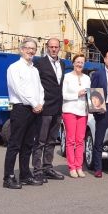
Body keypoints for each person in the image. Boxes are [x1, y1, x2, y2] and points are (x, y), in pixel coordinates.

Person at [3, 38, 45, 189]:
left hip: (34, 110)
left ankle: (25, 175)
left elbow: (40, 89)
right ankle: (8, 177)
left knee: (28, 144)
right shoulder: (14, 67)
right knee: (15, 144)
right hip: (21, 109)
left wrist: (40, 103)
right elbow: (18, 89)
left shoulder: (34, 70)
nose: (31, 51)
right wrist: (35, 104)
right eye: (27, 48)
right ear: (21, 49)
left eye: (33, 48)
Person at [32, 38, 66, 182]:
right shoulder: (39, 63)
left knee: (52, 140)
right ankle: (37, 170)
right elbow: (34, 83)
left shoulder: (62, 64)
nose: (53, 49)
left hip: (58, 108)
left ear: (59, 48)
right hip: (45, 108)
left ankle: (47, 168)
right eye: (51, 47)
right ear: (47, 47)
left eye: (56, 47)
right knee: (40, 140)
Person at [61, 54, 90, 178]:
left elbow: (91, 94)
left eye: (82, 62)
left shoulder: (87, 78)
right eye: (77, 62)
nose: (79, 64)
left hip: (83, 111)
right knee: (70, 140)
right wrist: (77, 94)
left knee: (80, 140)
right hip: (70, 111)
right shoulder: (67, 77)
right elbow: (64, 95)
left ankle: (79, 166)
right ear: (73, 63)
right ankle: (72, 167)